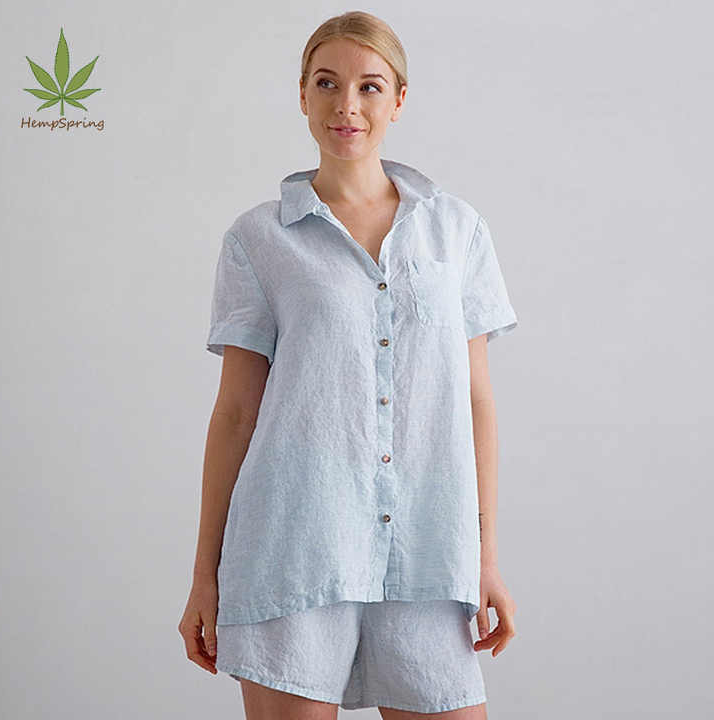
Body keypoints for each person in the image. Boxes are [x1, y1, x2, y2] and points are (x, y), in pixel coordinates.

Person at [179, 10, 518, 719]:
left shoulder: (457, 231)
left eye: (370, 86)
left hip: (430, 555)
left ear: (399, 99)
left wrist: (485, 558)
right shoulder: (258, 239)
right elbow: (236, 413)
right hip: (294, 549)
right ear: (303, 94)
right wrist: (204, 576)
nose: (347, 105)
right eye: (327, 83)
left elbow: (477, 400)